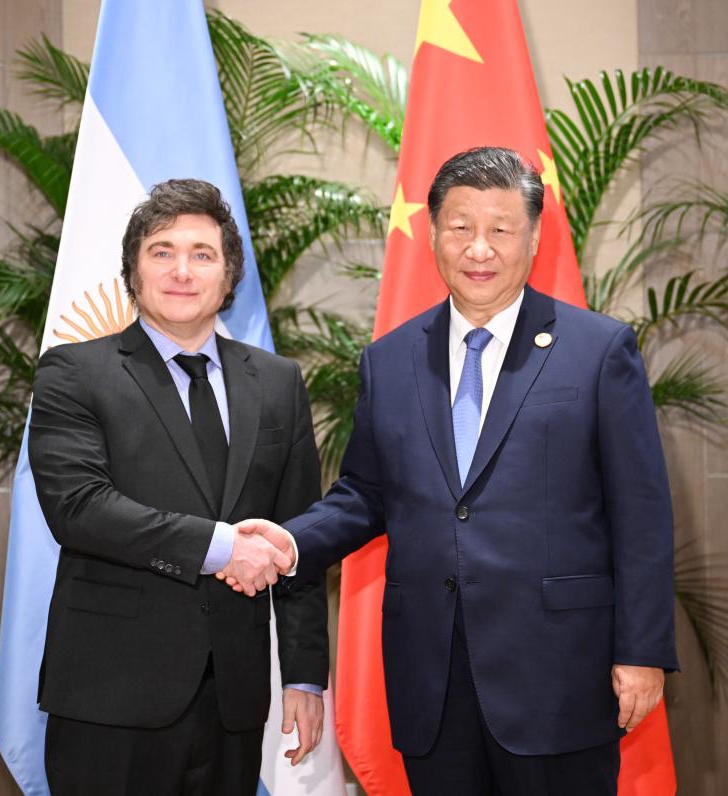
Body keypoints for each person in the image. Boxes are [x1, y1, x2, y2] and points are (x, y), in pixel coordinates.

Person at [225, 147, 679, 795]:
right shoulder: (390, 359)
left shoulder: (599, 351)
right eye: (461, 226)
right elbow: (364, 494)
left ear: (534, 236)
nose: (479, 248)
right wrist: (291, 541)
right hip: (432, 680)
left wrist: (641, 652)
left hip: (557, 675)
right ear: (433, 233)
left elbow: (642, 515)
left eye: (501, 228)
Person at [28, 178, 327, 796]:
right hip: (110, 694)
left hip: (234, 700)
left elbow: (297, 534)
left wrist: (303, 676)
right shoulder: (74, 372)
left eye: (202, 254)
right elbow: (79, 509)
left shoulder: (277, 382)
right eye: (161, 251)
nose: (181, 270)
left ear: (228, 275)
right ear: (133, 272)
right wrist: (222, 548)